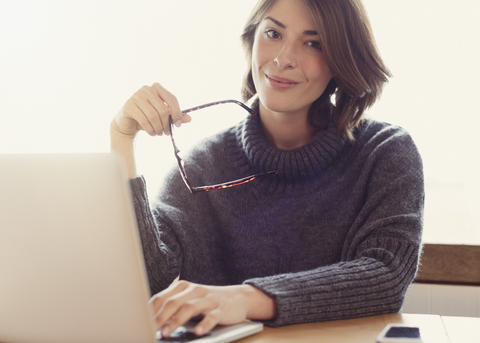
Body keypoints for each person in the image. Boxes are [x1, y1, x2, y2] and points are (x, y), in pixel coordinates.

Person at [110, 0, 424, 338]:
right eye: (273, 33)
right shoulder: (202, 166)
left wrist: (245, 298)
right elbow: (143, 278)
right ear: (251, 39)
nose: (282, 58)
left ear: (341, 60)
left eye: (313, 43)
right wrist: (121, 137)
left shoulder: (384, 152)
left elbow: (386, 274)